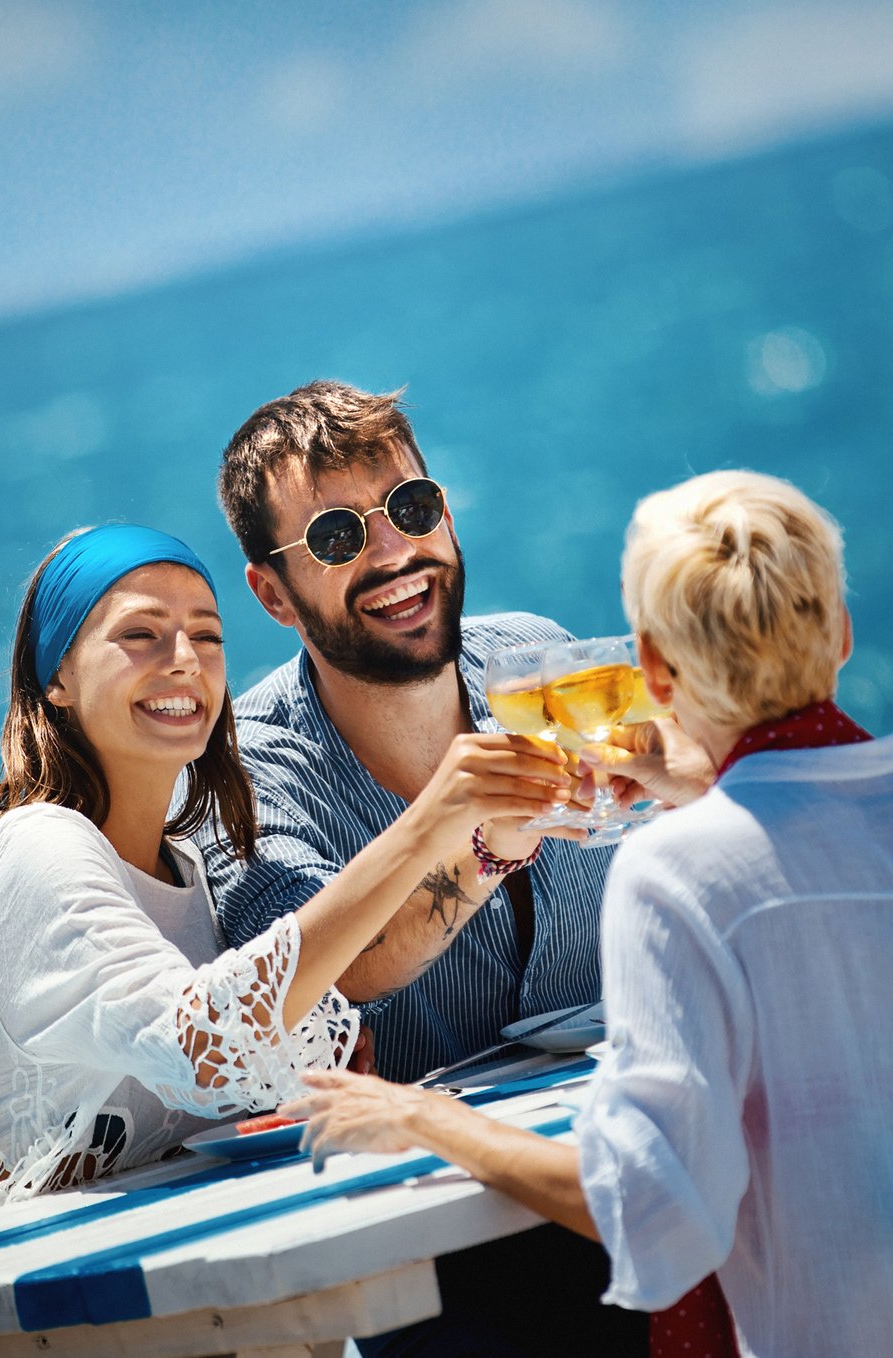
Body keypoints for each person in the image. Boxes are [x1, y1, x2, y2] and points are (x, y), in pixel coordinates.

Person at [283, 470, 893, 1358]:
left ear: (654, 671)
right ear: (843, 634)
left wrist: (424, 1119)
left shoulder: (675, 870)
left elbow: (651, 1212)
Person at [0, 524, 568, 1214]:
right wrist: (431, 820)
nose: (185, 660)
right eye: (141, 634)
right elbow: (207, 1042)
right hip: (63, 1271)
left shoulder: (184, 869)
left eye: (207, 637)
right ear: (57, 677)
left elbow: (256, 1040)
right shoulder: (37, 844)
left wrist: (492, 843)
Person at [207, 382, 644, 1355]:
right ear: (272, 593)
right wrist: (483, 842)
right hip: (447, 1261)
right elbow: (332, 969)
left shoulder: (539, 659)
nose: (394, 553)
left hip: (636, 1168)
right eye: (335, 537)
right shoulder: (247, 774)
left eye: (411, 508)